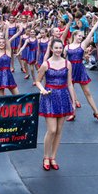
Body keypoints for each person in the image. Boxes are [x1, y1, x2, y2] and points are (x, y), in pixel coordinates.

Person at [35, 39, 78, 171]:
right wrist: (42, 89)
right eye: (56, 48)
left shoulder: (67, 63)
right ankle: (46, 156)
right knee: (52, 130)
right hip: (50, 96)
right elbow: (37, 80)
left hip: (63, 96)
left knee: (59, 131)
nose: (59, 50)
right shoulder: (46, 64)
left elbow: (69, 83)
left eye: (60, 48)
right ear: (52, 49)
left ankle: (53, 157)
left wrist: (74, 100)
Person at [65, 17, 98, 122]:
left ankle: (96, 113)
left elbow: (91, 32)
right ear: (74, 35)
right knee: (70, 93)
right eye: (79, 36)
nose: (81, 38)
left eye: (82, 36)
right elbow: (63, 60)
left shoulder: (82, 45)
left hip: (80, 70)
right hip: (70, 71)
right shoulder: (67, 47)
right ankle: (73, 113)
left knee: (87, 93)